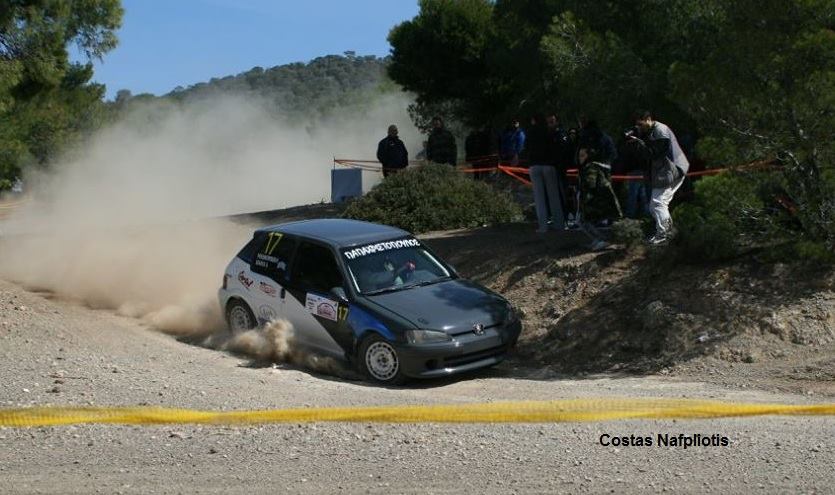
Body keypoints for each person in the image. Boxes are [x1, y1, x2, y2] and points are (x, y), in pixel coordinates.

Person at [628, 110, 690, 244]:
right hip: (666, 170)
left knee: (658, 203)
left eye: (641, 124)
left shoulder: (660, 131)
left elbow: (656, 154)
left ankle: (664, 235)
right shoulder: (651, 131)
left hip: (673, 169)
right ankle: (667, 234)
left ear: (649, 119)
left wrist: (641, 144)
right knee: (655, 205)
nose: (640, 127)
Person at [526, 115, 565, 233]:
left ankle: (543, 226)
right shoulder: (549, 132)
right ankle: (559, 224)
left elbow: (526, 148)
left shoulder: (530, 132)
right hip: (549, 166)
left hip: (534, 165)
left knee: (539, 198)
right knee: (554, 197)